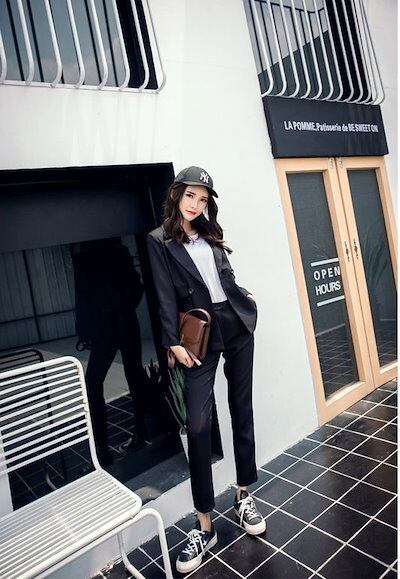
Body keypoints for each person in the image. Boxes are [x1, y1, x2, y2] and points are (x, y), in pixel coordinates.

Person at [146, 166, 266, 574]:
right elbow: (163, 294)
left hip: (236, 324)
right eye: (190, 196)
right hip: (199, 335)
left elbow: (221, 277)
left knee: (241, 410)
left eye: (202, 199)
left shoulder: (209, 232)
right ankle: (204, 524)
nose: (196, 205)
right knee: (198, 426)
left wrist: (243, 294)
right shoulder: (159, 240)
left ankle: (244, 494)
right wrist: (172, 342)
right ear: (176, 195)